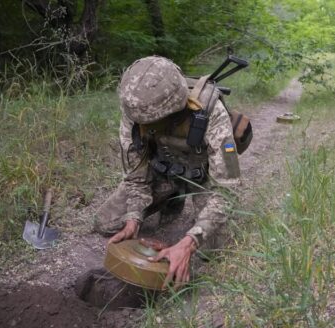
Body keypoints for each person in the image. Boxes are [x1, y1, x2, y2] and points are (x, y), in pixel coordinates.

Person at [93, 56, 241, 289]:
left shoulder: (211, 111)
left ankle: (178, 199)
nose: (143, 125)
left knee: (212, 252)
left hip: (201, 179)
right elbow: (135, 175)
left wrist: (190, 242)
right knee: (107, 222)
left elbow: (227, 189)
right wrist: (133, 217)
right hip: (161, 172)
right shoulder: (134, 111)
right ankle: (171, 198)